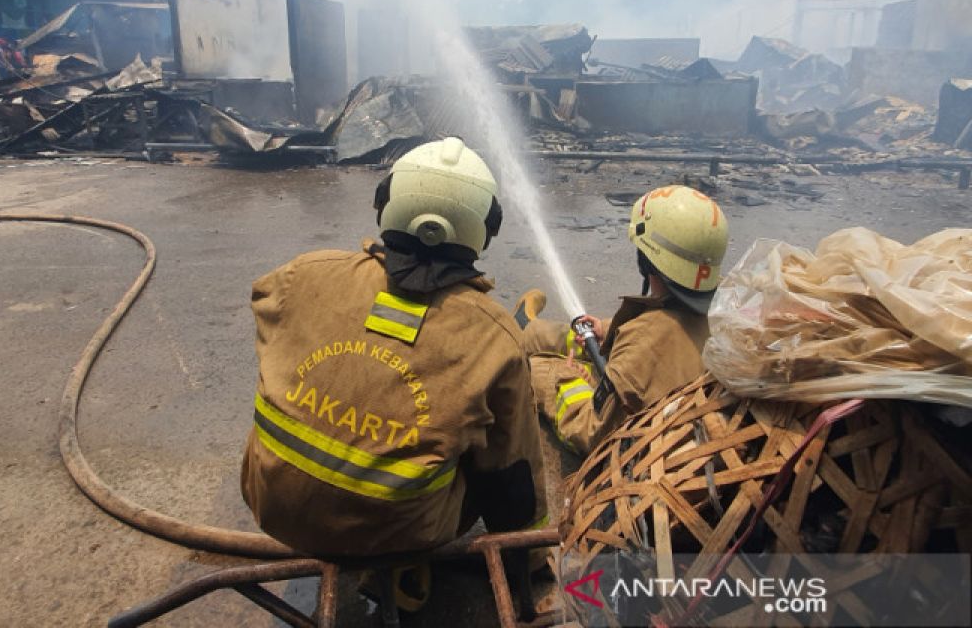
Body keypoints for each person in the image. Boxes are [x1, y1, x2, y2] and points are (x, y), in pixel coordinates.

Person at [241, 137, 548, 571]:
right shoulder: (494, 335)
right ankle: (407, 573)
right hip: (401, 539)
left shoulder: (305, 273)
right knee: (486, 449)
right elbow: (511, 472)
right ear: (484, 229)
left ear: (386, 202)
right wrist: (528, 560)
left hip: (273, 505)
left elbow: (266, 319)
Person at [520, 184, 729, 456]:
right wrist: (607, 328)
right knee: (575, 335)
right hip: (648, 368)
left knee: (535, 365)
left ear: (647, 260)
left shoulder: (643, 341)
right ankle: (528, 329)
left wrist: (569, 379)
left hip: (623, 417)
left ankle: (515, 345)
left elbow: (591, 433)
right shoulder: (723, 306)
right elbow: (662, 329)